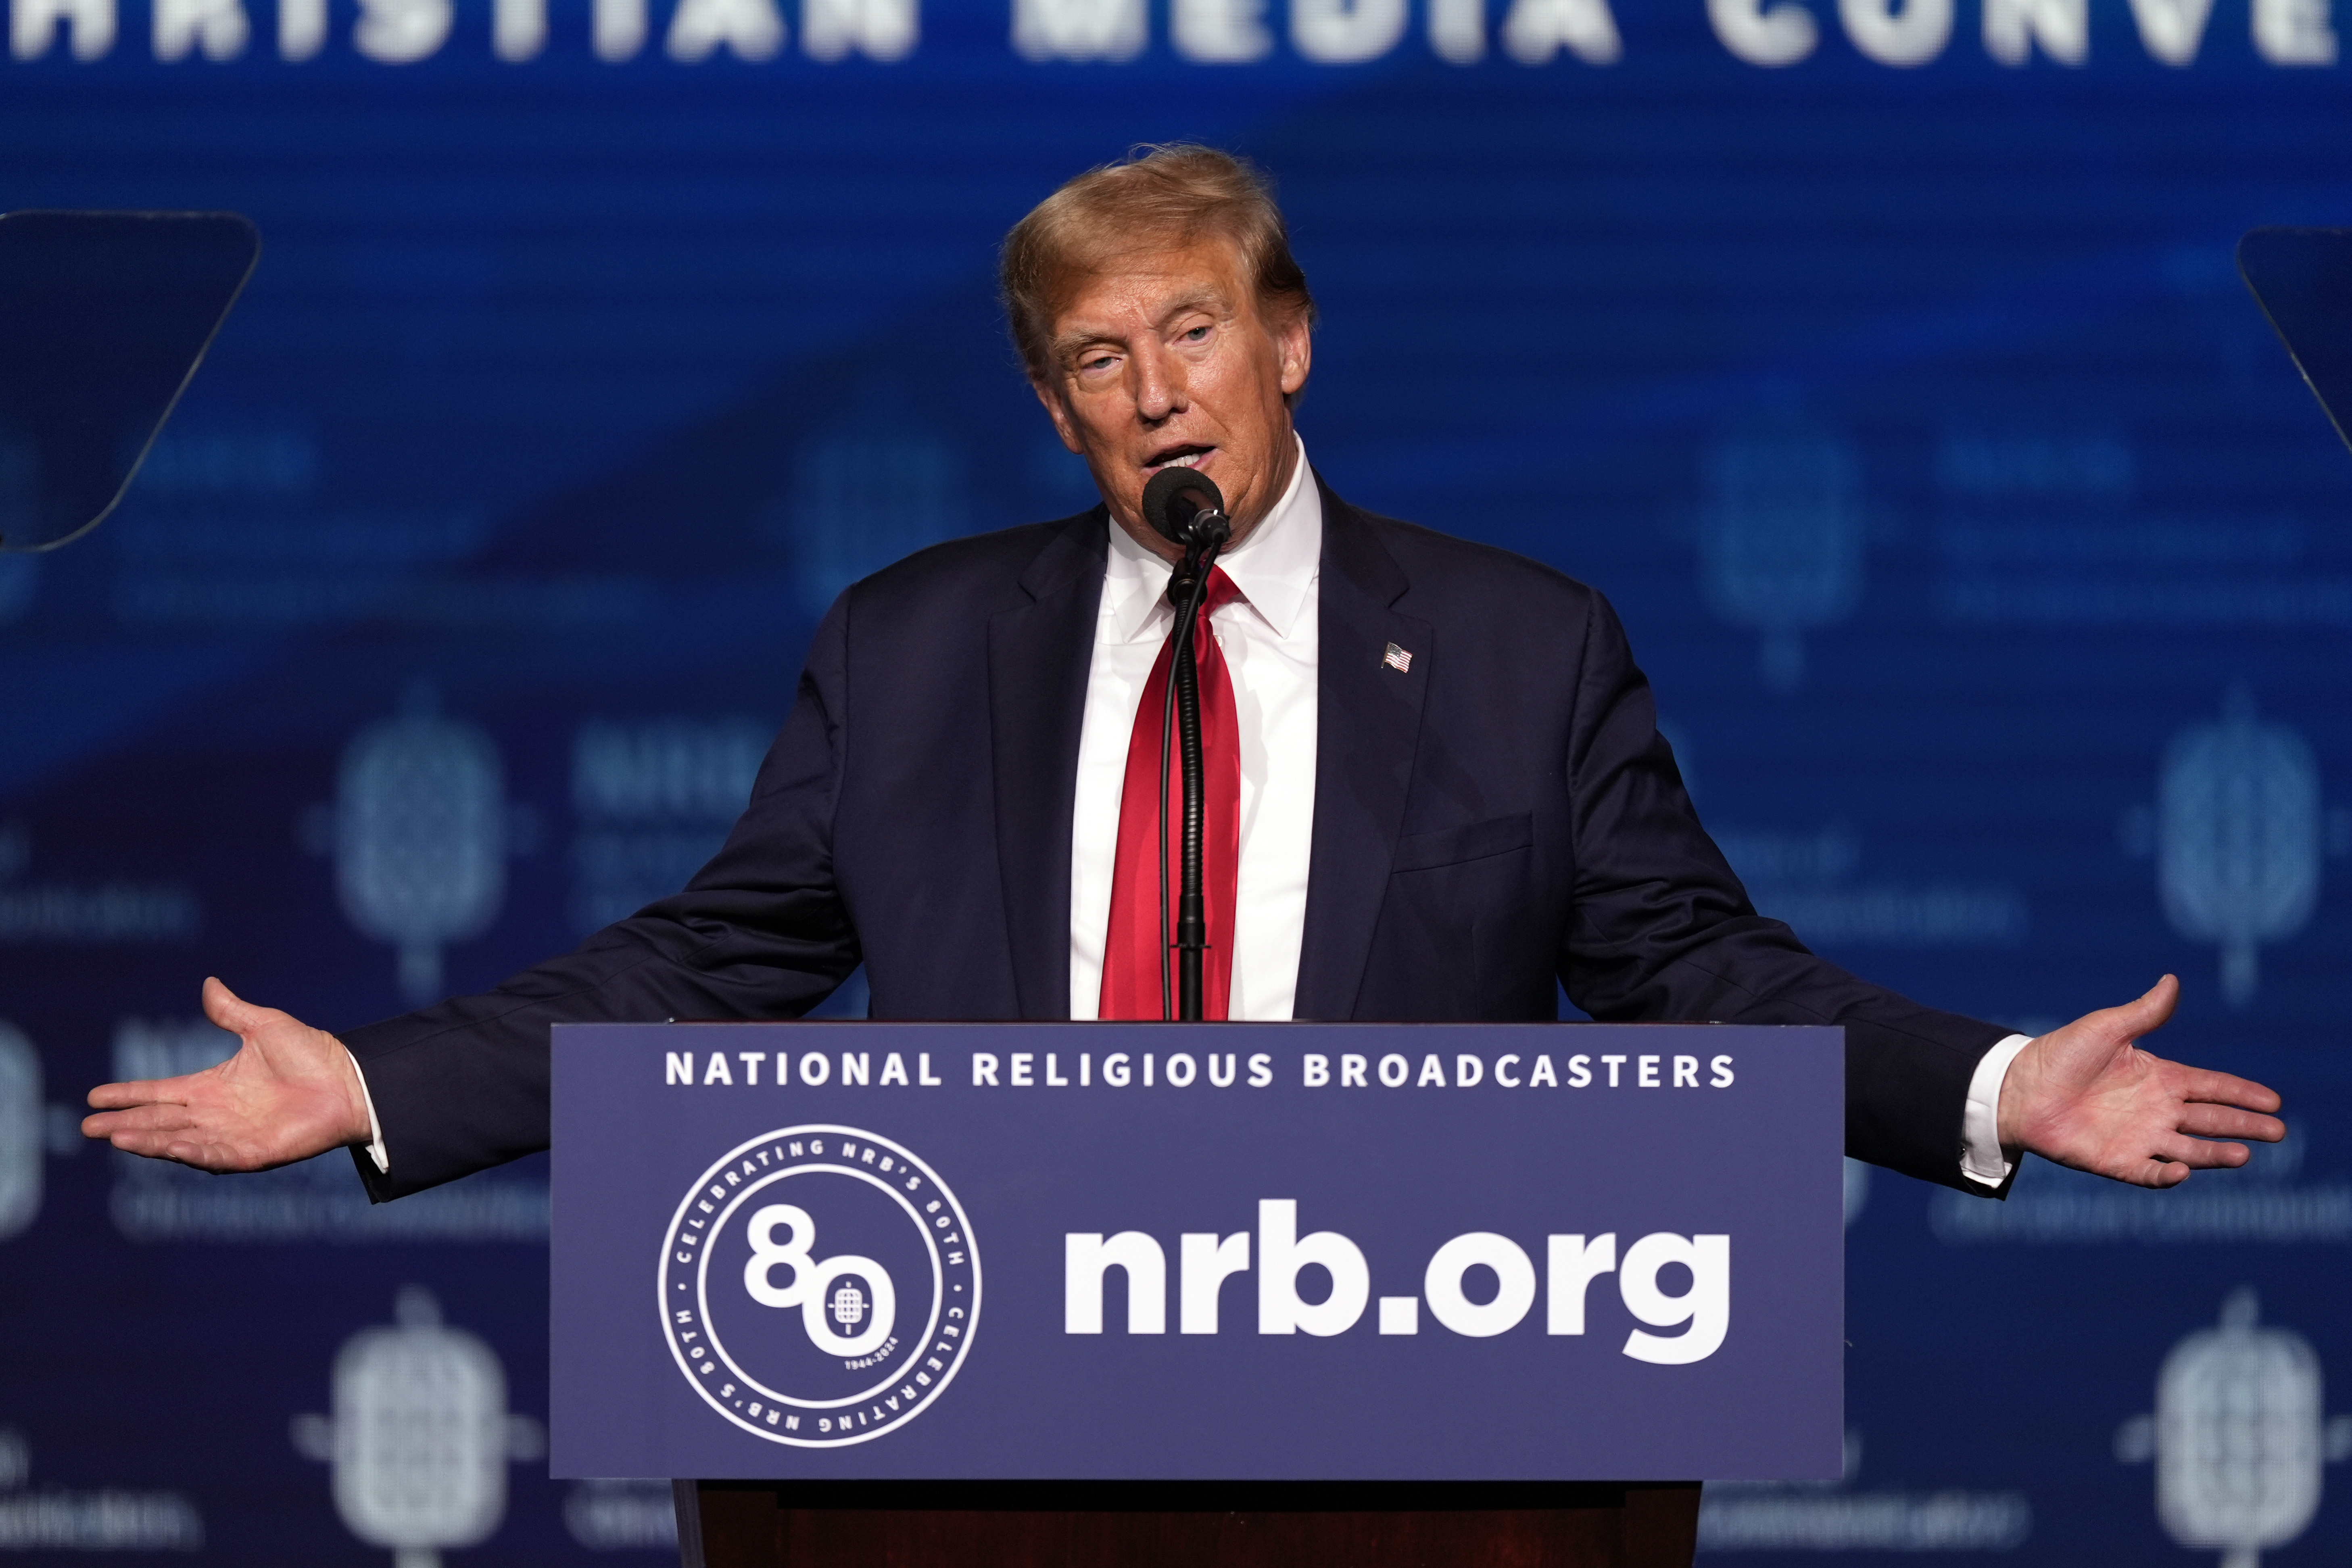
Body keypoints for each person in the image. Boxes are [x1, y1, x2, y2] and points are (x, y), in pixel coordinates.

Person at [86, 145, 2281, 1205]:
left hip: (1411, 1378)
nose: (1153, 396)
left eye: (1193, 334)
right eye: (1097, 362)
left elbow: (1693, 977)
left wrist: (1996, 1087)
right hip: (985, 1402)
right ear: (1055, 414)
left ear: (1291, 343)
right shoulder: (915, 645)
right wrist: (369, 1086)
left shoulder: (1521, 646)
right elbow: (708, 969)